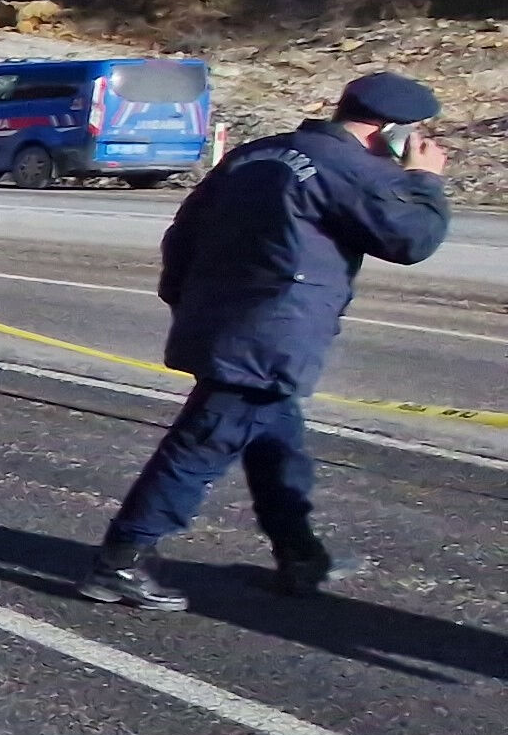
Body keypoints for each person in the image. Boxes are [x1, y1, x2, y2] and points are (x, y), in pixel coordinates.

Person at [80, 70, 454, 608]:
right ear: (390, 130)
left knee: (277, 445)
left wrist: (185, 298)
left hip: (229, 320)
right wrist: (423, 181)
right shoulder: (347, 167)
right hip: (272, 330)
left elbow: (184, 231)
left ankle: (300, 556)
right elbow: (411, 240)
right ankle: (121, 560)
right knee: (203, 443)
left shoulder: (256, 153)